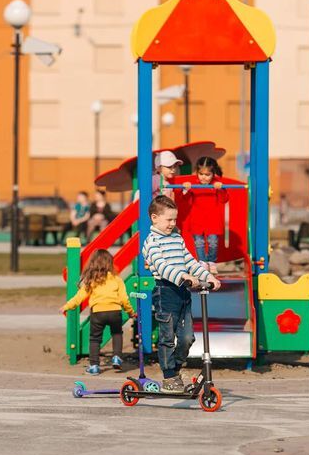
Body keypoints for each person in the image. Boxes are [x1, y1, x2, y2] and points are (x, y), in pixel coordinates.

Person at [142, 195, 221, 393]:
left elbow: (191, 262)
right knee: (167, 337)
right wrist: (182, 276)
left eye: (175, 219)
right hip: (166, 293)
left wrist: (208, 276)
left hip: (183, 293)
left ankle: (176, 369)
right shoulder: (151, 242)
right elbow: (162, 266)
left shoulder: (177, 238)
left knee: (187, 338)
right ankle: (169, 376)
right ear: (154, 218)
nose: (172, 223)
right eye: (169, 219)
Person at [60, 249, 135, 375]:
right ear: (110, 263)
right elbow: (124, 299)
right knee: (117, 333)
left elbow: (80, 297)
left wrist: (67, 306)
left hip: (98, 312)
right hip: (115, 311)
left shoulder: (91, 280)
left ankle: (94, 366)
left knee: (95, 339)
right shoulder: (117, 279)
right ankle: (117, 357)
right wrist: (130, 312)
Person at [183, 156, 228, 274]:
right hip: (197, 219)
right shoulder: (193, 184)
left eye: (207, 174)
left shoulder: (216, 185)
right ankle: (202, 262)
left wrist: (221, 189)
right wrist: (186, 190)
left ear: (213, 174)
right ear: (197, 173)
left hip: (212, 220)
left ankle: (212, 262)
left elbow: (224, 199)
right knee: (199, 242)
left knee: (213, 242)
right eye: (201, 174)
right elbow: (185, 200)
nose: (203, 177)